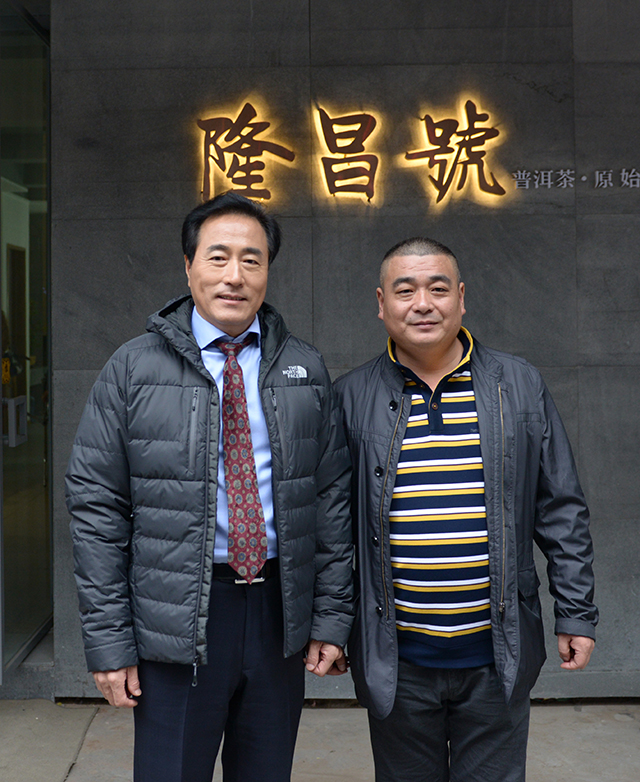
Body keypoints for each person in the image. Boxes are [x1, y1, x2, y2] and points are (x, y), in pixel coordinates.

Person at [66, 192, 354, 782]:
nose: (234, 275)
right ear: (188, 266)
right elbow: (97, 508)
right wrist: (110, 643)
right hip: (175, 619)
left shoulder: (303, 368)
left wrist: (329, 618)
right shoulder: (133, 368)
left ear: (268, 271)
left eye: (252, 260)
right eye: (218, 257)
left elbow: (330, 500)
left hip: (277, 614)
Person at [334, 237, 597, 782]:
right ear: (381, 303)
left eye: (437, 289)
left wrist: (575, 612)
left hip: (497, 656)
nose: (422, 304)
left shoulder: (517, 385)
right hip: (397, 660)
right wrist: (331, 624)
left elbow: (561, 510)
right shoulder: (352, 396)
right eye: (405, 290)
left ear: (461, 297)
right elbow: (331, 530)